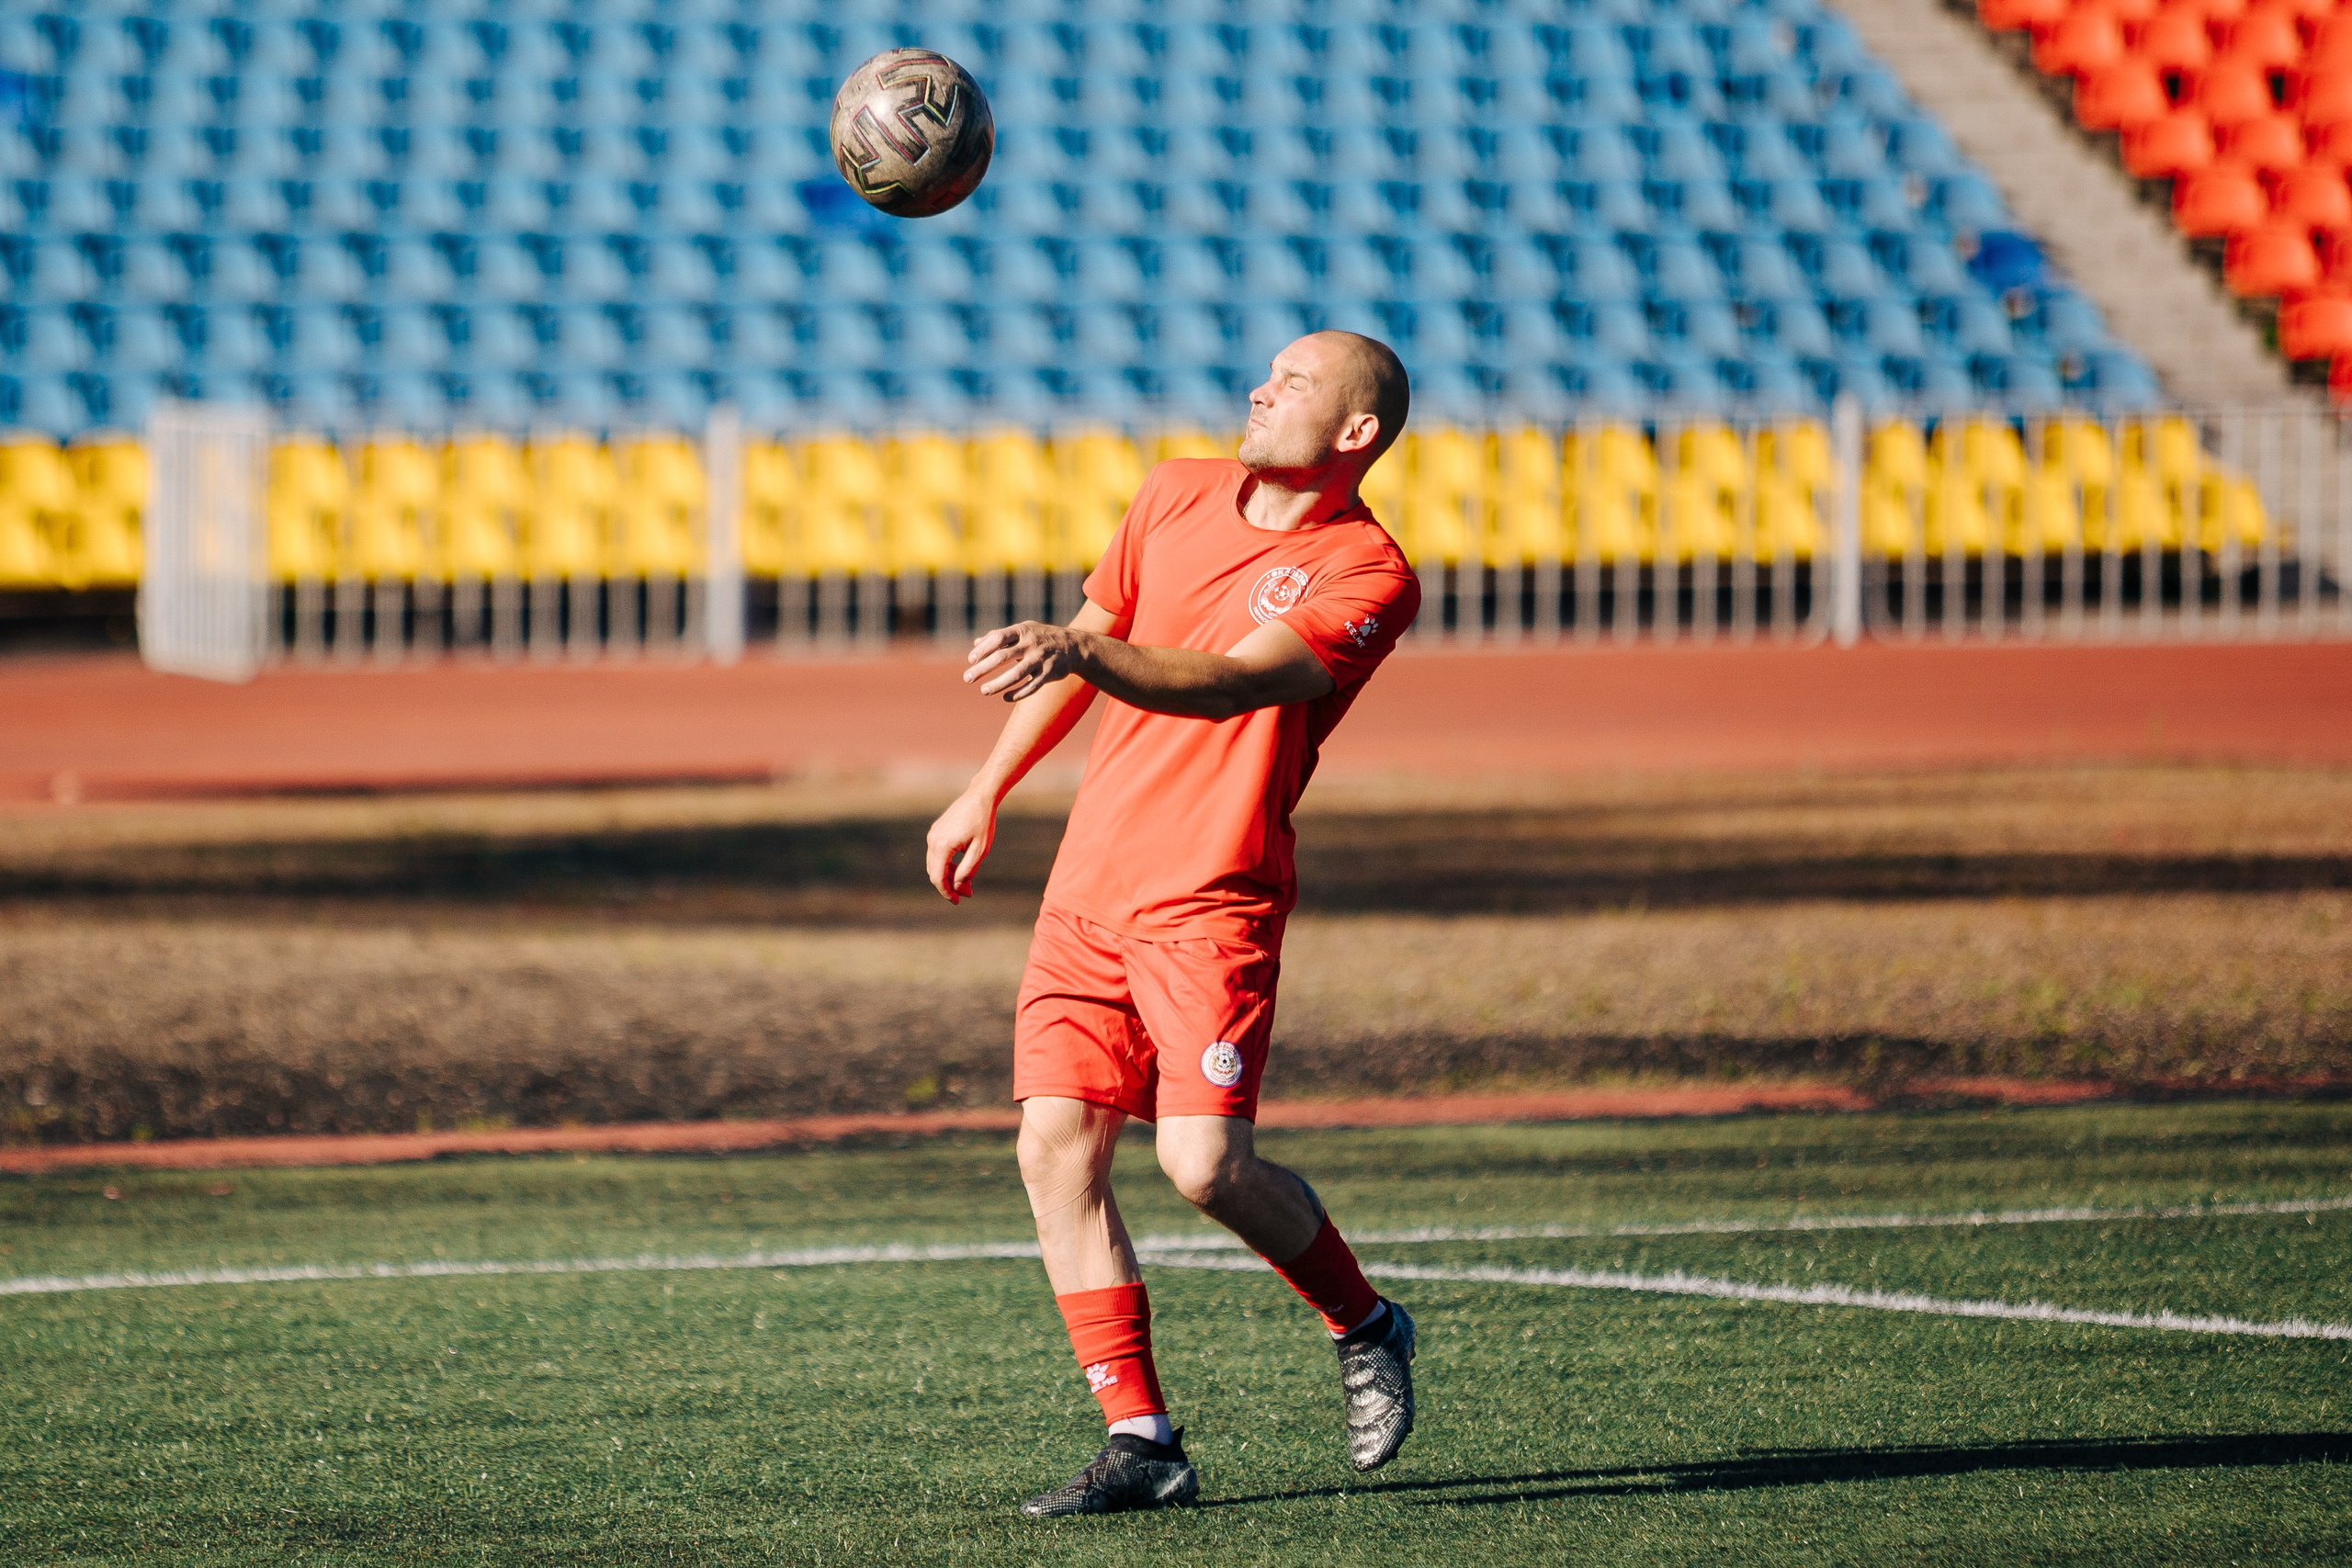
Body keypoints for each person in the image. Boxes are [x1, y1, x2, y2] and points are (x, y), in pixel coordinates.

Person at [923, 331, 1424, 1517]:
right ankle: (1142, 1441)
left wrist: (1087, 649)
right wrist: (984, 788)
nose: (1260, 390)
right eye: (1266, 372)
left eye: (1294, 383)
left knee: (1203, 1167)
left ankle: (1366, 1320)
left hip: (1211, 897)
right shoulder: (1172, 492)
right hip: (1088, 892)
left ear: (1355, 434)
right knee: (1056, 1147)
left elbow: (1232, 680)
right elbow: (1078, 654)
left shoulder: (1371, 574)